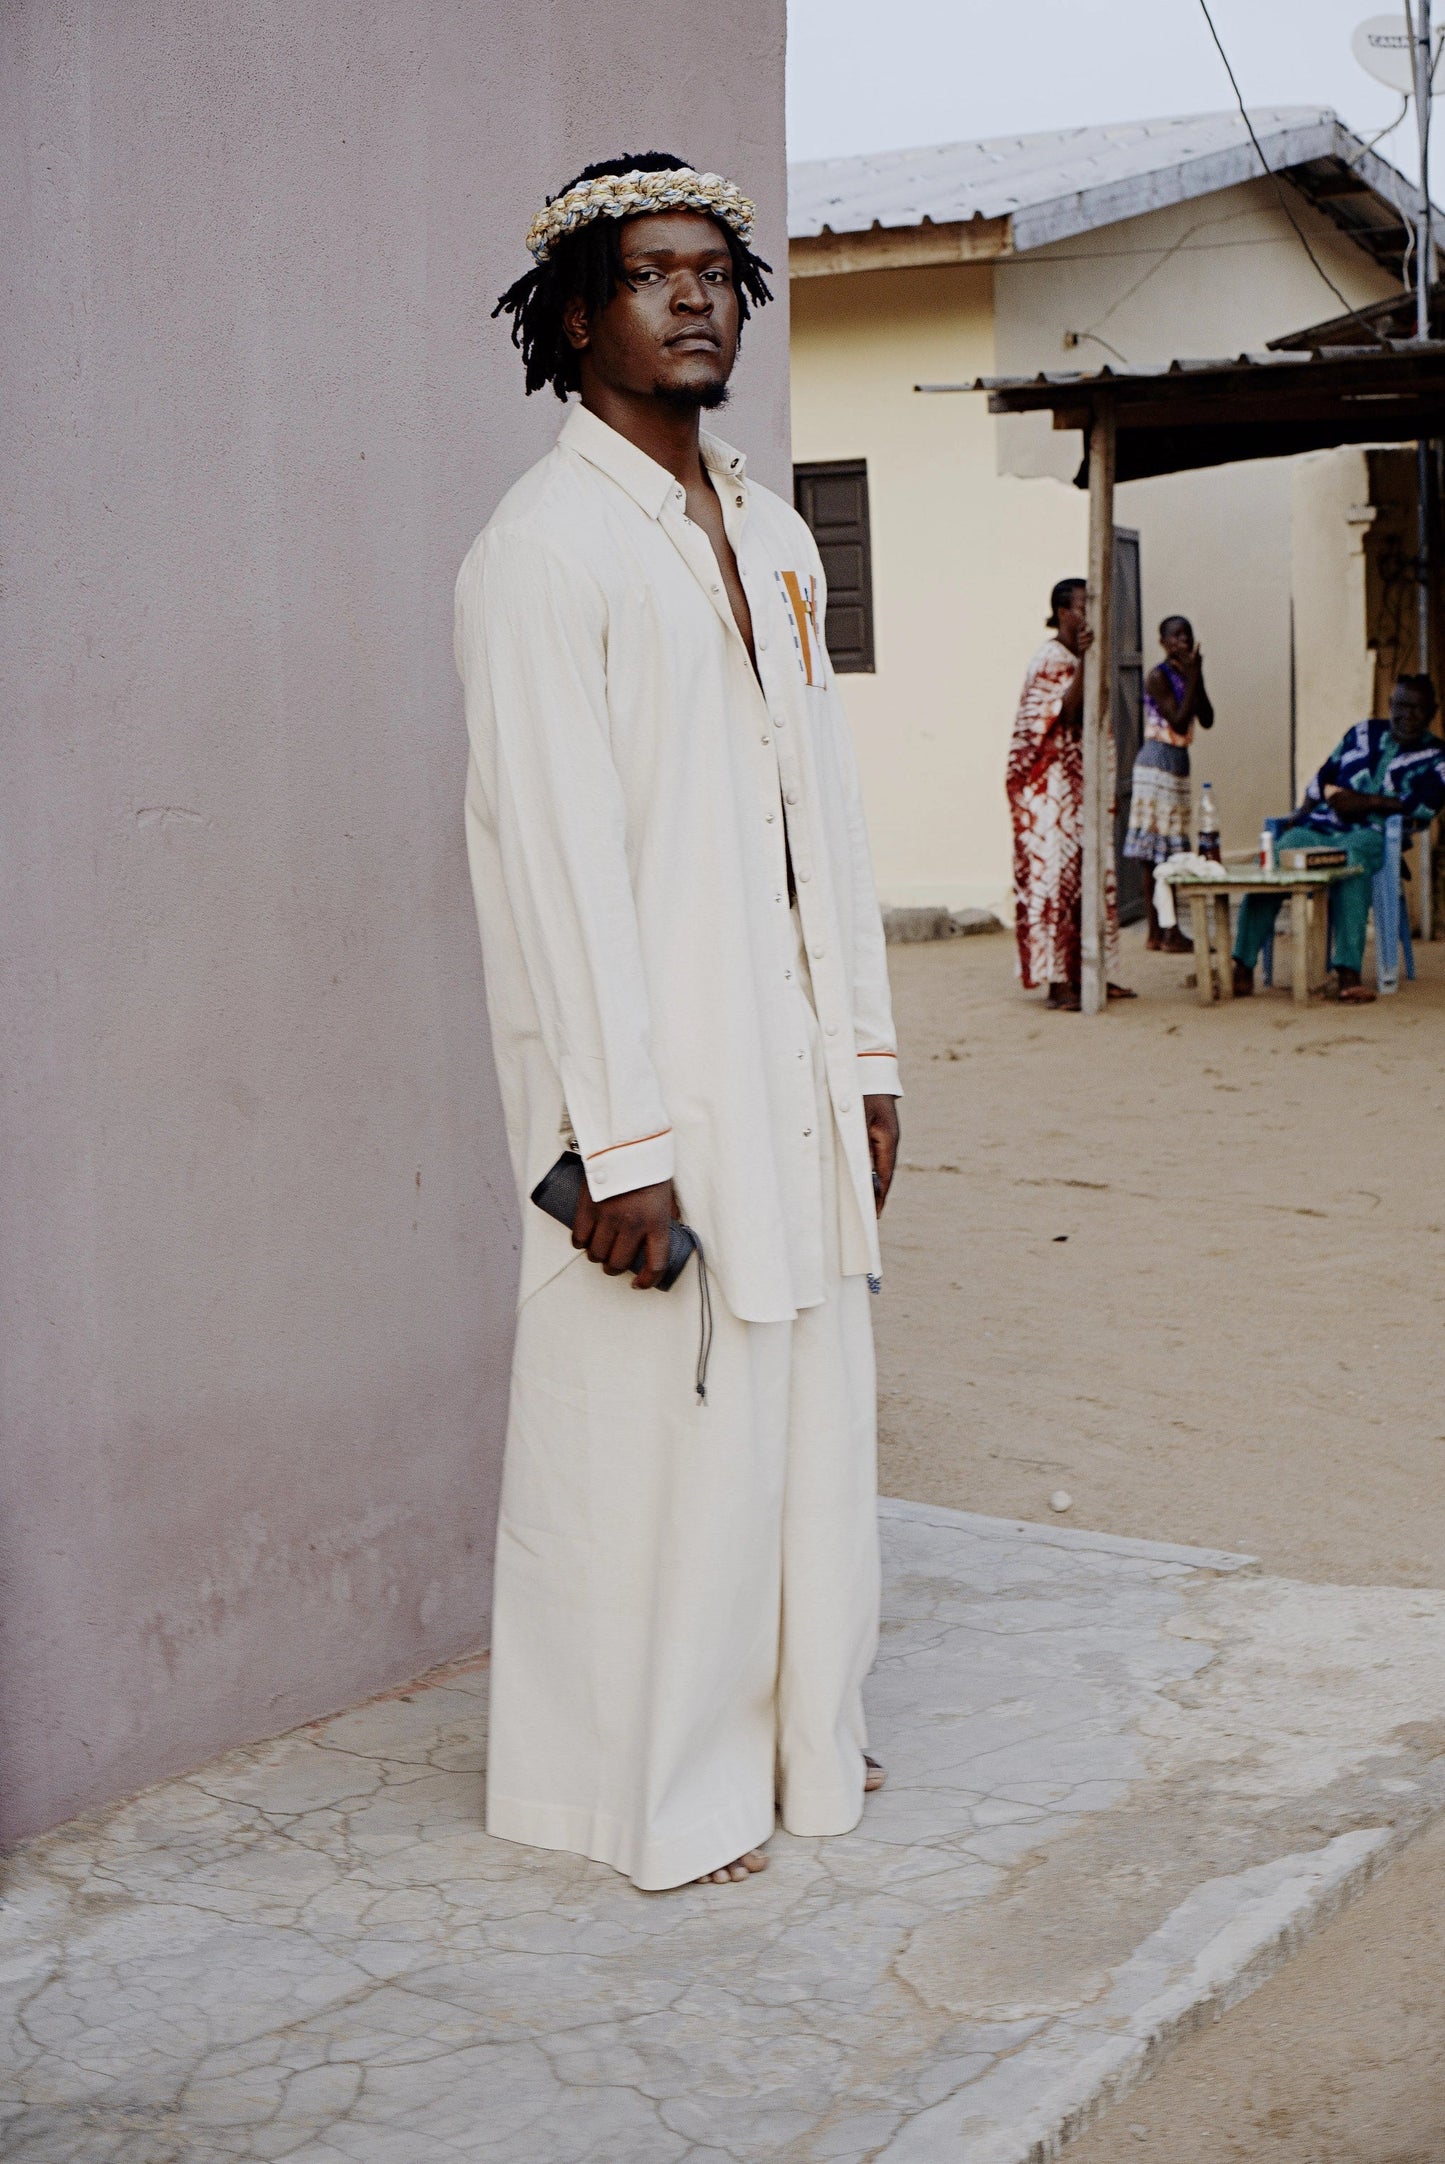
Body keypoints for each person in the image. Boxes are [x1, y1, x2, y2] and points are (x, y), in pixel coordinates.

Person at [455, 154, 903, 1892]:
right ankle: (648, 1791)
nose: (696, 296)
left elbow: (825, 814)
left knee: (807, 1412)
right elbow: (558, 870)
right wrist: (620, 1143)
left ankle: (802, 1740)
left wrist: (867, 1058)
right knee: (659, 1442)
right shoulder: (540, 551)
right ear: (577, 318)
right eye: (651, 273)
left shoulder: (773, 535)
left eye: (715, 269)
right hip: (650, 1080)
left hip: (788, 1050)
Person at [1232, 674, 1445, 1004]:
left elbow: (1425, 806)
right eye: (1400, 706)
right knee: (1277, 860)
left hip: (1373, 833)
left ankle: (1347, 974)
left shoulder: (1437, 757)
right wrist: (1299, 815)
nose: (1407, 715)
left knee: (1351, 862)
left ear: (1432, 711)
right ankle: (1242, 967)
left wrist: (1366, 802)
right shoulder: (1361, 733)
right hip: (1322, 826)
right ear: (1390, 705)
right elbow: (1322, 780)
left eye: (1417, 709)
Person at [1006, 578, 1130, 1009]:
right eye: (1083, 606)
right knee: (1056, 882)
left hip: (1078, 791)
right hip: (1047, 792)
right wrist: (1084, 663)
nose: (1090, 616)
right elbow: (1070, 713)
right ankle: (1058, 983)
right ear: (1063, 613)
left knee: (1089, 878)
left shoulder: (1079, 658)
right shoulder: (1050, 660)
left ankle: (1091, 974)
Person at [1123, 614, 1214, 951]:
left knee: (1169, 852)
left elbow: (1207, 718)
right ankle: (1162, 931)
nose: (1183, 641)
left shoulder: (1187, 674)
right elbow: (1177, 721)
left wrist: (1196, 677)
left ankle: (1163, 931)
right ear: (1163, 643)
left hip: (1177, 763)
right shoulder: (1157, 677)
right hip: (1157, 763)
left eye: (1187, 634)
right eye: (1175, 636)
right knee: (1154, 853)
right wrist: (1193, 676)